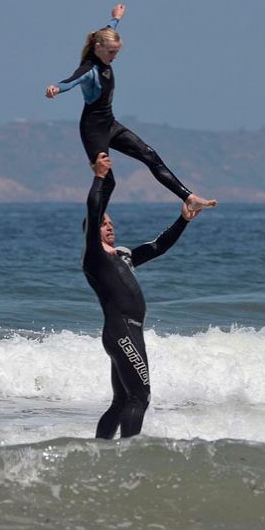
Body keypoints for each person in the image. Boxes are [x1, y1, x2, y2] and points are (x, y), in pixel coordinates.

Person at [46, 3, 217, 215]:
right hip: (93, 130)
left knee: (149, 155)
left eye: (116, 53)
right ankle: (94, 226)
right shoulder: (88, 69)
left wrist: (115, 18)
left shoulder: (101, 44)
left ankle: (189, 198)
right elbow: (70, 81)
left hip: (110, 124)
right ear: (99, 48)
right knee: (107, 181)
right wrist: (56, 88)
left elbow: (108, 32)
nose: (114, 57)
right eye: (111, 53)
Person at [83, 152, 200, 438]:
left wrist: (183, 219)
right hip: (121, 330)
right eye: (103, 222)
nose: (109, 225)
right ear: (91, 228)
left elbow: (158, 246)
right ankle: (129, 455)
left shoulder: (123, 255)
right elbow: (94, 207)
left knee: (122, 400)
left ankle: (102, 452)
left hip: (129, 332)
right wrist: (99, 178)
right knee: (141, 396)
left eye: (111, 222)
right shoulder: (95, 256)